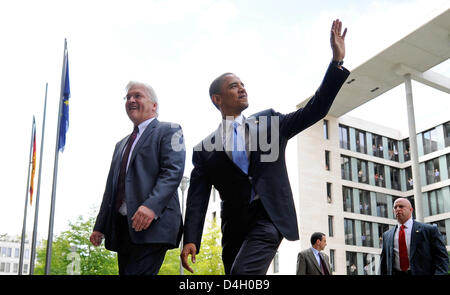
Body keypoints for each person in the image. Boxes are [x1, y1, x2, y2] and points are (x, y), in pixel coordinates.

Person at [181, 19, 350, 275]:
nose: (242, 88)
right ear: (217, 99)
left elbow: (315, 109)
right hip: (234, 226)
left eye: (242, 84)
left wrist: (335, 63)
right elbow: (197, 198)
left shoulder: (270, 122)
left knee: (242, 276)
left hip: (270, 217)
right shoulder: (204, 149)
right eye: (233, 86)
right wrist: (191, 238)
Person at [90, 81, 186, 275]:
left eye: (137, 96)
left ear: (154, 106)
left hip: (153, 226)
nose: (131, 100)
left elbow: (173, 171)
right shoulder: (121, 144)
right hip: (124, 228)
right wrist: (100, 225)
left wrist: (151, 206)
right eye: (128, 97)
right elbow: (111, 188)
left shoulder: (171, 130)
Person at [379, 198, 449, 275]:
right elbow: (384, 264)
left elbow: (442, 258)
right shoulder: (387, 235)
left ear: (411, 210)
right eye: (395, 207)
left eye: (401, 206)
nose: (397, 209)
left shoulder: (429, 230)